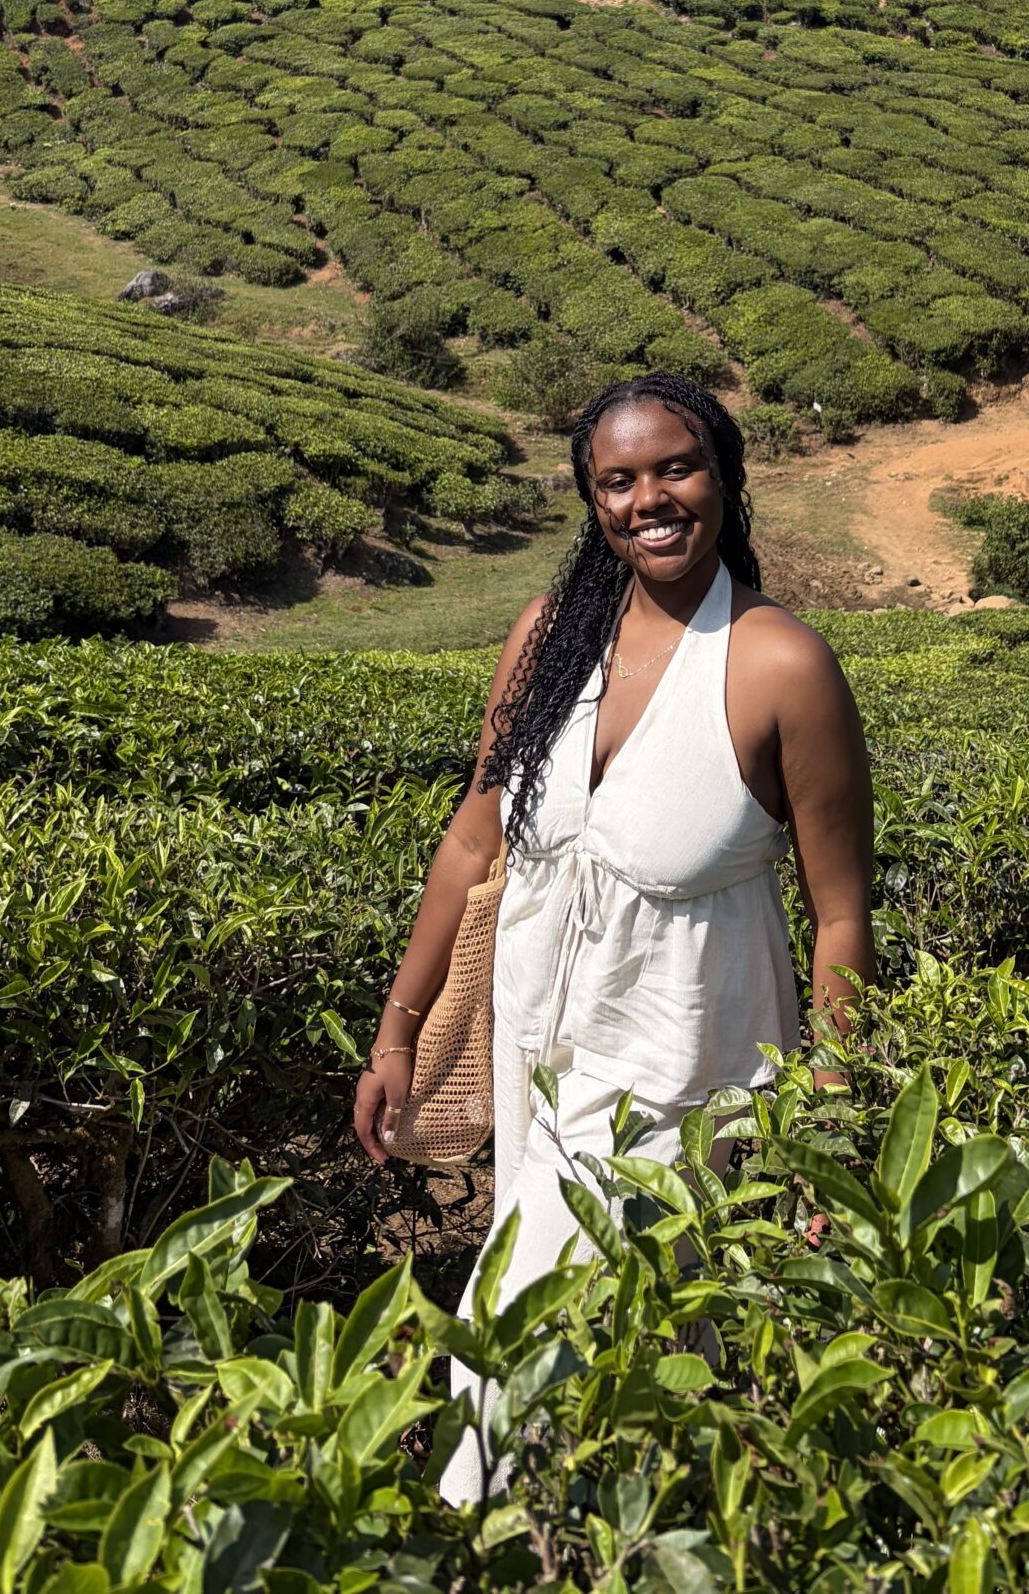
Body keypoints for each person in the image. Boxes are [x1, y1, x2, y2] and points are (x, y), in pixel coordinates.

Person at [353, 373, 876, 1504]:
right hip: (537, 1045)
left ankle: (467, 1545)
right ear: (592, 502)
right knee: (619, 1341)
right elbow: (471, 840)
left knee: (510, 1336)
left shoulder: (781, 664)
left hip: (679, 1061)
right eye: (618, 480)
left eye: (676, 467)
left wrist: (827, 1120)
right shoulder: (550, 635)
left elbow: (841, 913)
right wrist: (397, 1032)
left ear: (726, 474)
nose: (652, 498)